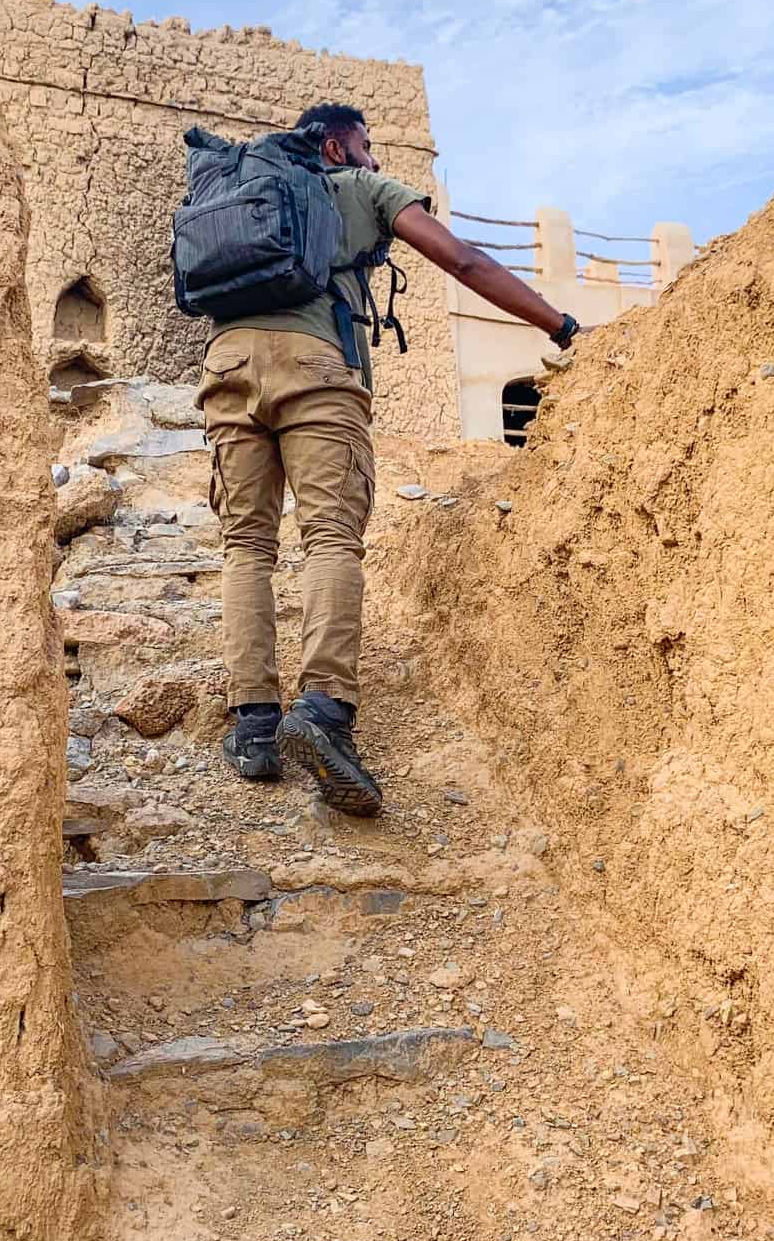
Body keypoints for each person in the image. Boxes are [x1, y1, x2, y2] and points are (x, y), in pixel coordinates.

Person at [196, 102, 577, 817]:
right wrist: (557, 323)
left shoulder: (240, 194)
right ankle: (323, 712)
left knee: (245, 544)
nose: (374, 158)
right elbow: (461, 258)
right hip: (316, 364)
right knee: (331, 537)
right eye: (367, 146)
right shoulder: (364, 190)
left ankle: (252, 727)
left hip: (226, 364)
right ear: (338, 146)